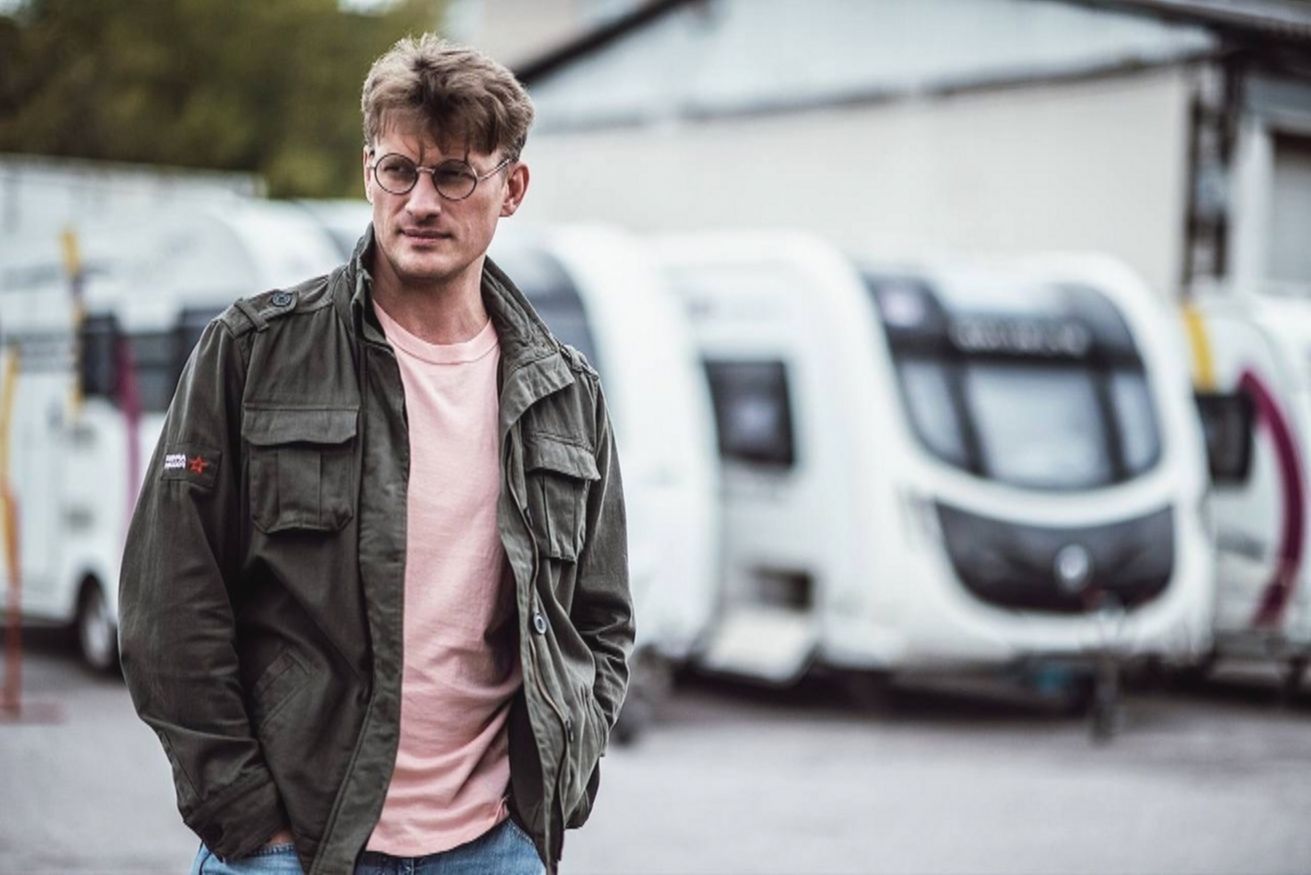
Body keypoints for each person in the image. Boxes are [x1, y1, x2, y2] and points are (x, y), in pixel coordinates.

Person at [119, 34, 632, 875]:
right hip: (294, 844)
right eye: (399, 170)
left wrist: (556, 781)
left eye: (454, 174)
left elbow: (601, 618)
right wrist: (246, 819)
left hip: (493, 845)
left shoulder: (565, 394)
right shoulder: (253, 352)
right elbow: (167, 603)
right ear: (368, 173)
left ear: (511, 188)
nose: (421, 202)